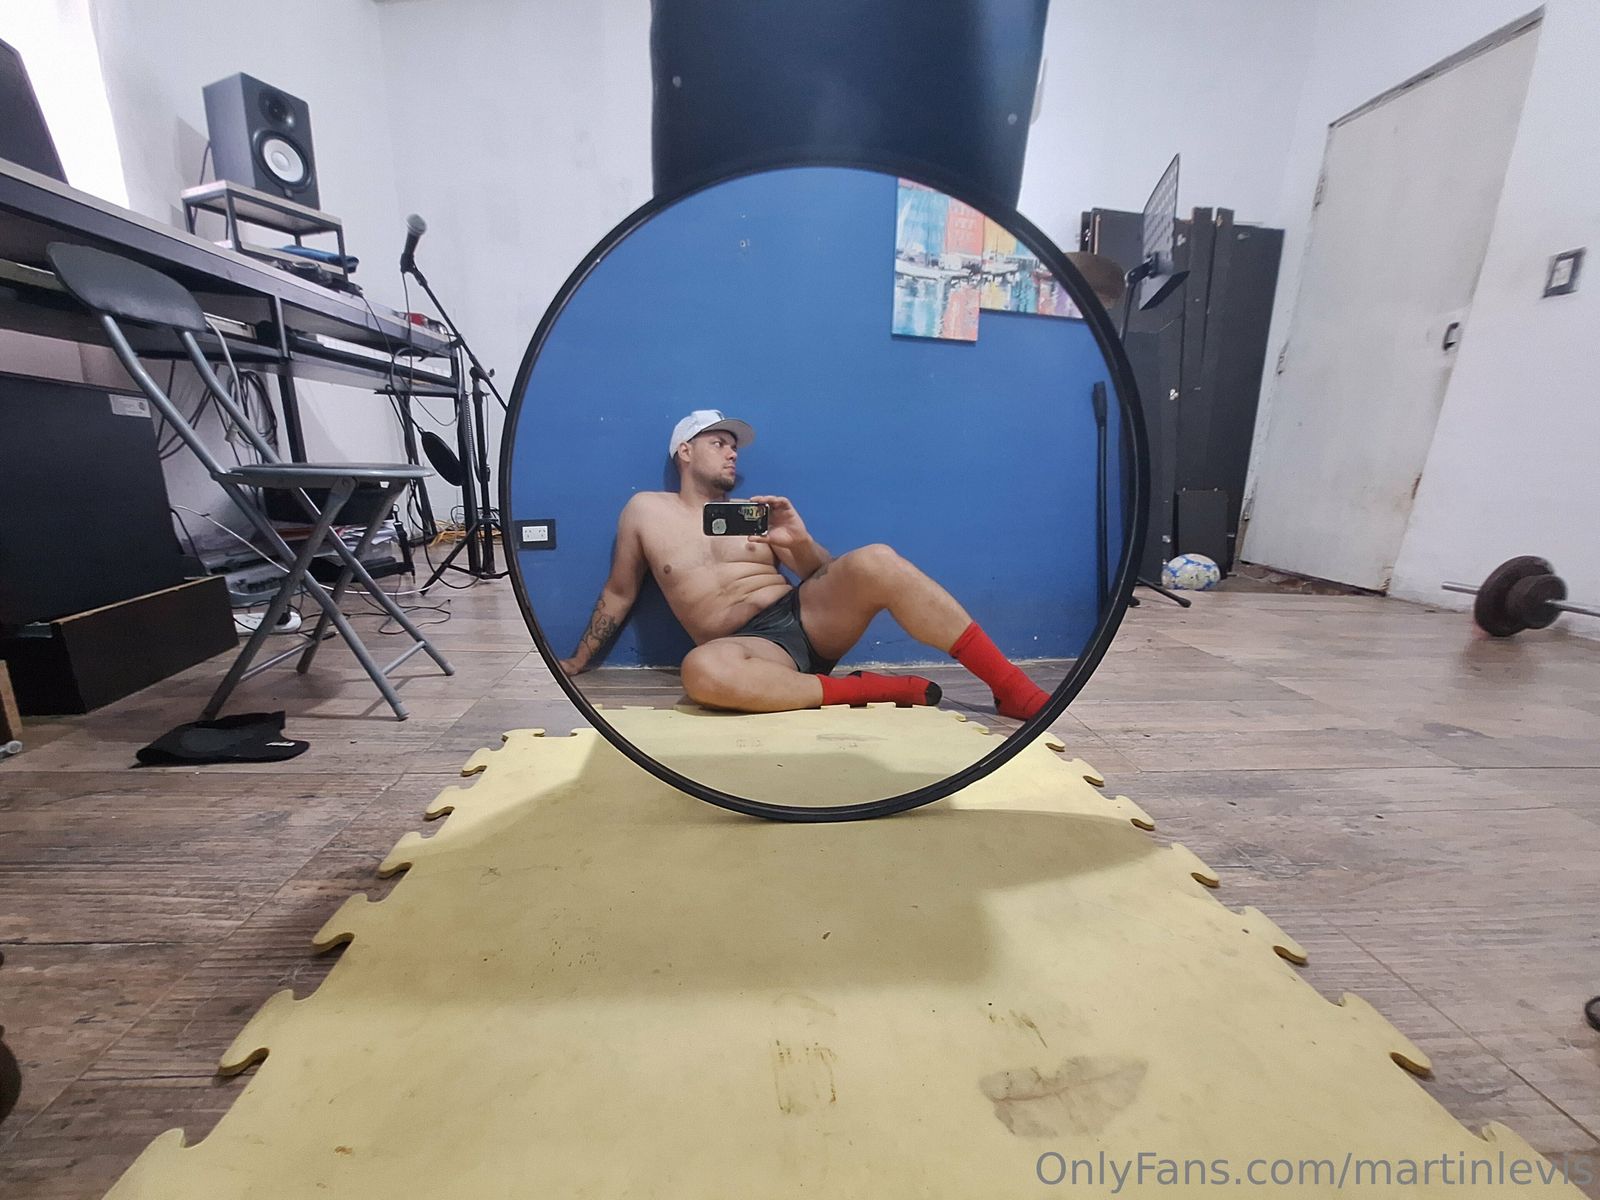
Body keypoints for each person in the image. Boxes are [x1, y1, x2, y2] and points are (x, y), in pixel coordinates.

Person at [558, 410, 1052, 720]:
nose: (732, 453)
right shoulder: (646, 510)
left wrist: (800, 540)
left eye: (735, 446)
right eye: (719, 443)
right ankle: (862, 690)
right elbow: (620, 591)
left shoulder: (756, 512)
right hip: (752, 651)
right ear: (685, 452)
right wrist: (580, 660)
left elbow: (822, 575)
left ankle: (1009, 686)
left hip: (805, 616)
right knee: (701, 670)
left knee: (877, 560)